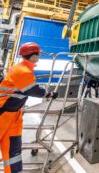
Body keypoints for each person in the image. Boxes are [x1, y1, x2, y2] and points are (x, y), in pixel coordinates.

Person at [0, 42, 58, 173]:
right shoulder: (23, 71)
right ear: (32, 56)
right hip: (3, 113)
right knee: (12, 148)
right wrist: (50, 93)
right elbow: (33, 90)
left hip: (13, 114)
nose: (39, 57)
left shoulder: (20, 68)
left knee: (13, 149)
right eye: (38, 54)